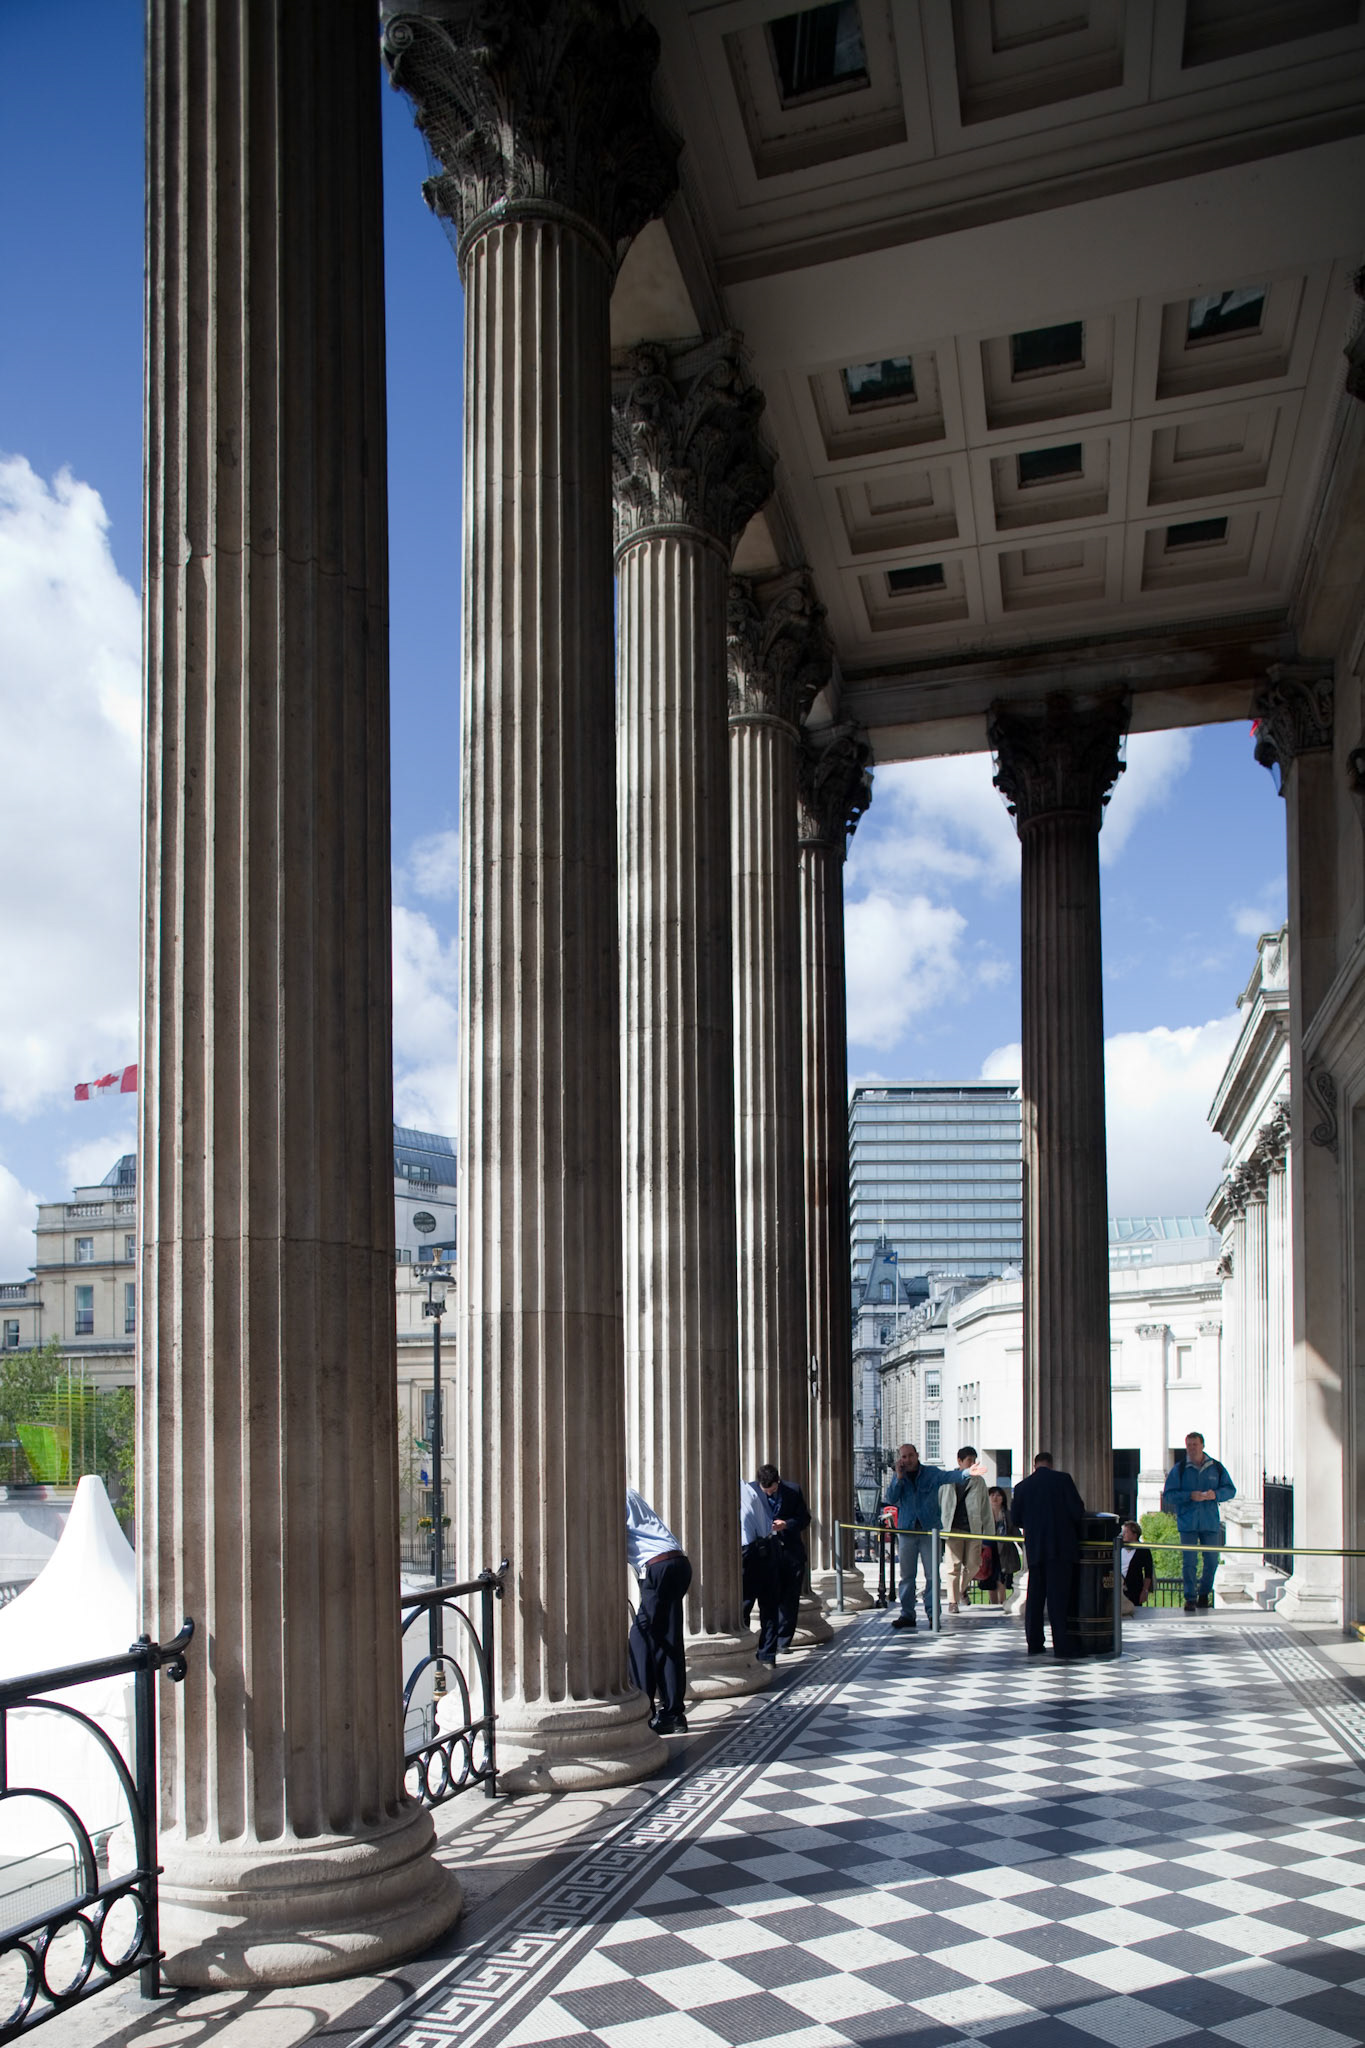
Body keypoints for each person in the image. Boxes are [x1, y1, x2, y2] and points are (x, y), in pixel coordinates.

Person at [882, 1442, 972, 1631]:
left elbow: (948, 1476)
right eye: (904, 1457)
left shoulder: (931, 1473)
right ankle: (907, 1614)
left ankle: (933, 1615)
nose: (907, 1460)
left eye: (910, 1456)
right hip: (907, 1531)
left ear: (917, 1455)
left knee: (932, 1576)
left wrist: (967, 1472)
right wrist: (898, 1477)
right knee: (907, 1576)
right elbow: (890, 1498)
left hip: (928, 1531)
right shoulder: (900, 1476)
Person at [625, 1486, 693, 1733]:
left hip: (657, 1568)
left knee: (640, 1639)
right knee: (668, 1640)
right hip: (677, 1563)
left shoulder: (609, 1493)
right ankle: (674, 1715)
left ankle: (643, 1711)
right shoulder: (628, 1491)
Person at [1010, 1452, 1085, 1658]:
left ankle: (1034, 1643)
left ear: (1034, 1465)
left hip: (1036, 1548)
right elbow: (1077, 1511)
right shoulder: (1063, 1480)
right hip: (1061, 1547)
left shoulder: (1022, 1487)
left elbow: (1016, 1519)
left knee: (1035, 1597)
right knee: (1058, 1599)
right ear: (1051, 1464)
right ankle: (1062, 1645)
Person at [1162, 1432, 1236, 1612]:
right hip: (1187, 1522)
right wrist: (1189, 1496)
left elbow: (1230, 1490)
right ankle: (1190, 1598)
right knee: (1189, 1562)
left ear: (1202, 1445)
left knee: (1211, 1561)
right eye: (1189, 1445)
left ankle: (1204, 1594)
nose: (1192, 1448)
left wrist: (1215, 1495)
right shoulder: (1179, 1469)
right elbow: (1169, 1495)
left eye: (1195, 1444)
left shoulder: (1216, 1467)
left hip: (1210, 1522)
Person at [750, 1462, 810, 1651]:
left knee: (790, 1598)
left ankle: (784, 1641)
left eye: (773, 1490)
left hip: (790, 1552)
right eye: (765, 1490)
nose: (769, 1493)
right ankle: (768, 1641)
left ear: (779, 1481)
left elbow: (804, 1519)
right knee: (768, 1599)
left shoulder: (793, 1490)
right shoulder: (751, 1490)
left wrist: (787, 1524)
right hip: (764, 1553)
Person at [940, 1446, 992, 1611]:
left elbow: (985, 1508)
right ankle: (953, 1601)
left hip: (973, 1528)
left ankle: (961, 1589)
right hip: (952, 1527)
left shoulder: (979, 1481)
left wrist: (989, 1535)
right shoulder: (948, 1479)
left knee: (974, 1564)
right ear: (959, 1461)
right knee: (953, 1566)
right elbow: (939, 1502)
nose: (972, 1464)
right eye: (969, 1460)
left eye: (974, 1460)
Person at [740, 1474, 781, 1665]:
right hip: (765, 1547)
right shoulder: (750, 1490)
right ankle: (767, 1655)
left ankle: (744, 1653)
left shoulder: (738, 1491)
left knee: (743, 1606)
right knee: (768, 1606)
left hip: (748, 1552)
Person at [980, 1485, 1022, 1605]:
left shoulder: (1008, 1515)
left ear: (1003, 1498)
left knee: (1001, 1578)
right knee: (990, 1578)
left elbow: (1015, 1532)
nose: (995, 1498)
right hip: (988, 1551)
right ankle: (993, 1604)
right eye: (992, 1495)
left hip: (1005, 1552)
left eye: (998, 1495)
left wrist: (1023, 1546)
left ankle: (1002, 1602)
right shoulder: (983, 1515)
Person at [1120, 1519, 1154, 1613]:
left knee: (1134, 1613)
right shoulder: (1119, 1548)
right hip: (1119, 1589)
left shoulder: (1143, 1550)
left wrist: (1145, 1591)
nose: (1124, 1534)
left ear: (1134, 1534)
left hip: (1134, 1590)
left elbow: (1148, 1572)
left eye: (1126, 1532)